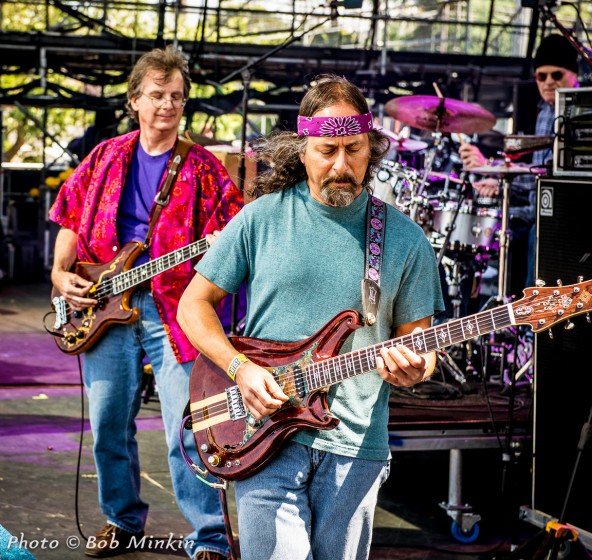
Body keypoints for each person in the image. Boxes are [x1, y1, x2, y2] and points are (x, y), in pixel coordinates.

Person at [177, 74, 445, 560]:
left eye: (354, 149)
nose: (342, 165)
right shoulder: (261, 218)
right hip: (264, 435)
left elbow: (418, 344)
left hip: (355, 447)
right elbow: (192, 306)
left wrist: (415, 369)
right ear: (302, 150)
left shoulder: (405, 240)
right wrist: (241, 369)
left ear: (372, 149)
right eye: (327, 150)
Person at [49, 45, 243, 560]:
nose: (168, 105)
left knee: (189, 426)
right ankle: (122, 520)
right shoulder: (106, 156)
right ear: (135, 99)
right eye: (157, 95)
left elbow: (237, 234)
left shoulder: (202, 167)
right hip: (102, 303)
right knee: (110, 421)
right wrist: (58, 272)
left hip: (175, 309)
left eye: (177, 97)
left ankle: (209, 538)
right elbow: (69, 216)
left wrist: (228, 244)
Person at [459, 33, 579, 293]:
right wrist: (498, 179)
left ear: (573, 75)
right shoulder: (546, 110)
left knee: (531, 232)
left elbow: (550, 175)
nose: (548, 82)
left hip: (565, 214)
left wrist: (496, 171)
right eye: (541, 76)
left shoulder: (577, 110)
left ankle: (526, 315)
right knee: (488, 226)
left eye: (556, 75)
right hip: (536, 207)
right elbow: (538, 175)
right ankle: (484, 303)